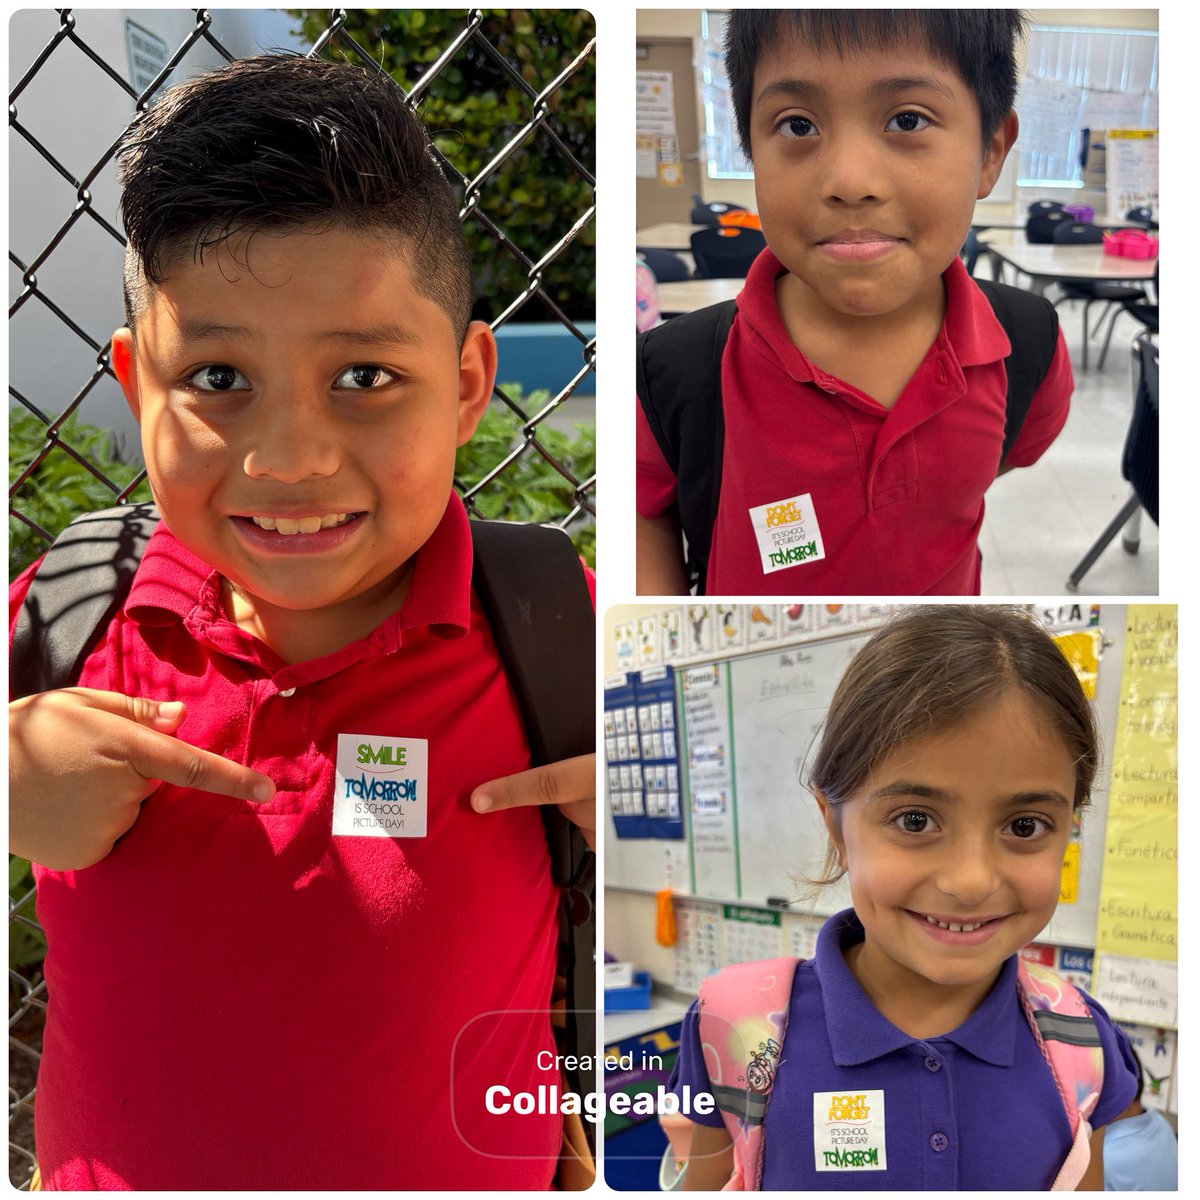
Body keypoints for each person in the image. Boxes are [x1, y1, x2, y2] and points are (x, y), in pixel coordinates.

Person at [8, 55, 594, 1190]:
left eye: (365, 377)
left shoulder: (558, 633)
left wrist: (657, 834)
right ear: (138, 386)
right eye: (218, 376)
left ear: (470, 383)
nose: (288, 460)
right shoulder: (67, 610)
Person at [668, 607, 1139, 1189]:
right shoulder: (731, 1025)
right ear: (835, 825)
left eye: (1024, 826)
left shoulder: (1080, 1037)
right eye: (915, 820)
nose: (970, 882)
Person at [636, 11, 1072, 596]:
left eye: (907, 119)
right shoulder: (675, 372)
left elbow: (1001, 459)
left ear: (990, 152)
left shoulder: (1027, 343)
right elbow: (644, 507)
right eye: (797, 126)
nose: (848, 179)